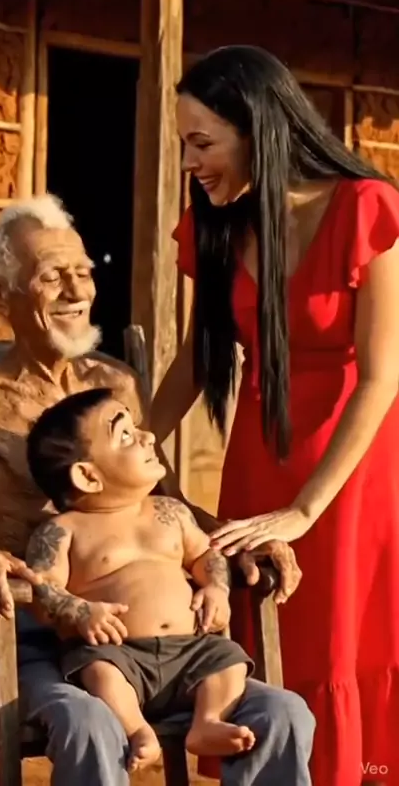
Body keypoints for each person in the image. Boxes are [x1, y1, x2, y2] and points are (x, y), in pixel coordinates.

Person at [0, 193, 314, 786]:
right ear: (0, 294)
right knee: (88, 720)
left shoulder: (116, 386)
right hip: (31, 634)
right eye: (52, 277)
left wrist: (247, 538)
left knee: (281, 712)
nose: (77, 291)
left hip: (158, 640)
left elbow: (169, 505)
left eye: (83, 273)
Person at [150, 44, 399, 786]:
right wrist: (134, 443)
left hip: (354, 469)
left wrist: (303, 510)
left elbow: (382, 377)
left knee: (341, 641)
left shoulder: (366, 208)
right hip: (260, 461)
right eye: (183, 145)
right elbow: (196, 360)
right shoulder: (216, 226)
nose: (190, 163)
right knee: (267, 634)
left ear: (256, 126)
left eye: (202, 143)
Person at [25, 387, 256, 773]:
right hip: (119, 652)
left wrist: (216, 587)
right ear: (87, 475)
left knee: (229, 659)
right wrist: (80, 610)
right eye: (126, 435)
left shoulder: (171, 513)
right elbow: (41, 588)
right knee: (99, 671)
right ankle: (136, 729)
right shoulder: (64, 531)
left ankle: (208, 721)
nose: (148, 436)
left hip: (190, 650)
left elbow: (206, 555)